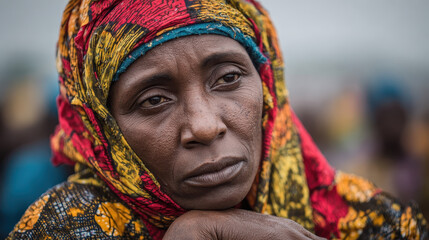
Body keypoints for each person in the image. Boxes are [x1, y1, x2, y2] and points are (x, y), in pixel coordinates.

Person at [7, 0, 428, 239]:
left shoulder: (373, 222)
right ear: (104, 131)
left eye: (228, 77)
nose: (206, 126)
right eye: (153, 100)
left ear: (268, 86)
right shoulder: (63, 228)